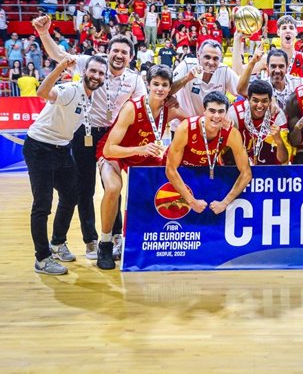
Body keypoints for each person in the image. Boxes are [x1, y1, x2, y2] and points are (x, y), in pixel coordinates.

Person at [33, 15, 147, 261]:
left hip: (112, 137)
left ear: (131, 57)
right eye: (115, 50)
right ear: (108, 52)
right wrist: (44, 33)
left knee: (112, 187)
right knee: (84, 189)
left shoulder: (136, 79)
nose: (119, 55)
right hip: (83, 132)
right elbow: (58, 56)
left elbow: (144, 107)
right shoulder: (90, 64)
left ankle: (116, 235)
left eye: (124, 52)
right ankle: (90, 241)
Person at [24, 55, 106, 275]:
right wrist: (60, 67)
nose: (96, 76)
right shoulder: (71, 90)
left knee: (72, 196)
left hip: (61, 149)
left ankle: (57, 243)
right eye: (93, 71)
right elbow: (42, 93)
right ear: (85, 72)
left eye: (100, 73)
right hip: (39, 147)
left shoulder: (89, 99)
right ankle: (42, 259)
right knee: (42, 205)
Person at [97, 66, 186, 269]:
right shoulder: (132, 108)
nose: (160, 88)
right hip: (116, 153)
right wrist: (142, 148)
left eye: (164, 85)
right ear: (148, 84)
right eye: (156, 84)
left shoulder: (169, 108)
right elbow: (110, 149)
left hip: (144, 154)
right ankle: (105, 243)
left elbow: (192, 121)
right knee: (113, 188)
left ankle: (150, 239)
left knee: (166, 183)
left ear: (170, 88)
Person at [165, 91, 252, 214]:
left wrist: (225, 203)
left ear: (226, 113)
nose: (216, 116)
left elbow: (246, 173)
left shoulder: (231, 133)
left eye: (221, 111)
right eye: (212, 111)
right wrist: (191, 201)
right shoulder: (186, 128)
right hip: (178, 172)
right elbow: (170, 170)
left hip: (204, 169)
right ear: (204, 111)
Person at [228, 79, 289, 165]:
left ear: (270, 101)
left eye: (264, 101)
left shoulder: (278, 116)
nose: (259, 106)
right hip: (238, 156)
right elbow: (225, 150)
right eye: (255, 101)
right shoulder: (234, 113)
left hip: (265, 160)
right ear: (248, 99)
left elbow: (283, 160)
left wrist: (279, 141)